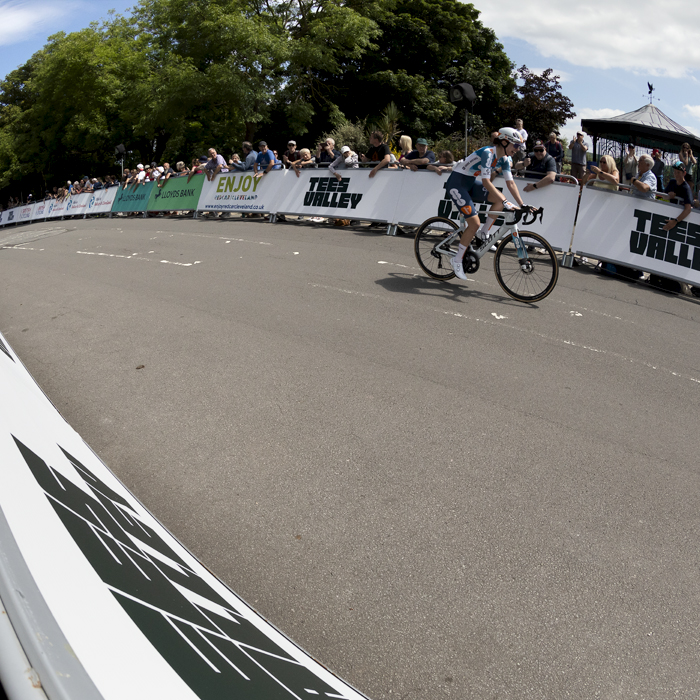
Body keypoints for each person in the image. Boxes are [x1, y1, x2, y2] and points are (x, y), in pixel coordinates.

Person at [444, 127, 527, 280]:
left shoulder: (506, 159)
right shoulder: (488, 153)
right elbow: (486, 182)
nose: (517, 149)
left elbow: (511, 184)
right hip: (457, 183)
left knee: (498, 202)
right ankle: (457, 260)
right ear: (503, 142)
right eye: (515, 145)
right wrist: (506, 201)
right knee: (474, 223)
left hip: (469, 183)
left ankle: (484, 233)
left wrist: (522, 204)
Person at [660, 161, 693, 229]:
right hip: (669, 212)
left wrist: (675, 221)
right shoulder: (672, 182)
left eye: (678, 172)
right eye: (675, 172)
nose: (676, 174)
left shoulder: (686, 188)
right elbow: (663, 196)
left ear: (684, 173)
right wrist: (668, 196)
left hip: (679, 218)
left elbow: (688, 208)